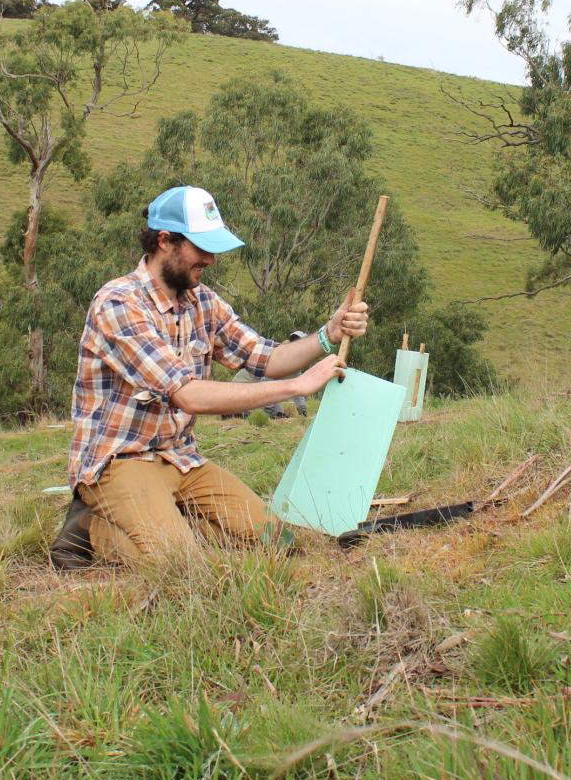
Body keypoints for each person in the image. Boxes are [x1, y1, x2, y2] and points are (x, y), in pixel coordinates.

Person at [50, 185, 368, 570]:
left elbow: (266, 358)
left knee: (276, 540)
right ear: (165, 241)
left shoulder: (204, 302)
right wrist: (295, 387)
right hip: (120, 461)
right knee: (181, 566)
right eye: (201, 248)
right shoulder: (118, 304)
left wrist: (327, 334)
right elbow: (188, 396)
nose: (211, 260)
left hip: (181, 459)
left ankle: (172, 524)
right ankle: (90, 528)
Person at [230, 330, 310, 419]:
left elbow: (297, 388)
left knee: (277, 412)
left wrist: (302, 409)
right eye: (294, 341)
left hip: (255, 385)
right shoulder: (279, 356)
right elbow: (265, 389)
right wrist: (277, 413)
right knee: (276, 413)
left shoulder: (295, 363)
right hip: (241, 386)